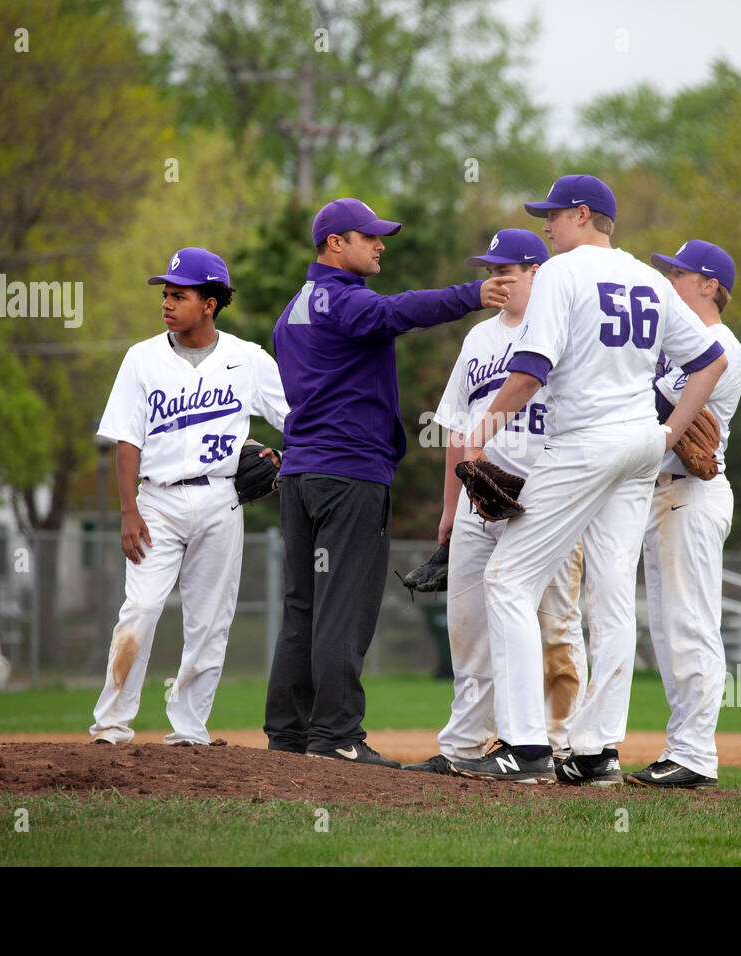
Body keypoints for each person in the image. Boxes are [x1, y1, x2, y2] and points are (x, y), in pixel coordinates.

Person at [449, 175, 728, 784]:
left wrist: (480, 431)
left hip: (586, 443)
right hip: (638, 446)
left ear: (583, 214)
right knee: (611, 597)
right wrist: (669, 434)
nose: (545, 225)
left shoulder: (561, 274)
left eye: (552, 214)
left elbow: (529, 368)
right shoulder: (650, 279)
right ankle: (598, 752)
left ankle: (525, 749)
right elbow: (711, 359)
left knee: (507, 579)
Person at [264, 198, 515, 768]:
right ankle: (336, 735)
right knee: (343, 606)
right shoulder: (343, 300)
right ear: (334, 244)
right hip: (348, 472)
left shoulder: (294, 308)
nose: (380, 244)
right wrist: (471, 295)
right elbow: (398, 311)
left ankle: (288, 733)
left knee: (302, 605)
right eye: (368, 236)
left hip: (302, 473)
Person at [404, 228, 588, 775]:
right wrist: (448, 509)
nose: (497, 279)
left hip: (547, 499)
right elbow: (457, 430)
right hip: (478, 500)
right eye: (490, 271)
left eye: (509, 269)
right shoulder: (479, 339)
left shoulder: (565, 330)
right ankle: (464, 747)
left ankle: (559, 749)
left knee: (555, 624)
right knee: (469, 625)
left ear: (539, 273)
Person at [91, 247, 288, 745]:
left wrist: (285, 456)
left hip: (222, 498)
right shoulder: (142, 358)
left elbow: (296, 417)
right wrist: (128, 509)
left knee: (210, 622)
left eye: (179, 294)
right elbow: (126, 440)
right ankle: (111, 725)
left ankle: (189, 728)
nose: (167, 303)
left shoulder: (246, 359)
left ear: (210, 303)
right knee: (140, 609)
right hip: (156, 501)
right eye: (165, 294)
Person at [626, 240, 741, 789]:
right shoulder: (679, 342)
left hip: (690, 494)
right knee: (672, 630)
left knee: (690, 625)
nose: (668, 279)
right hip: (662, 493)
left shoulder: (718, 342)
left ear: (709, 285)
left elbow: (649, 406)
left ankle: (695, 756)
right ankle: (684, 750)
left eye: (679, 273)